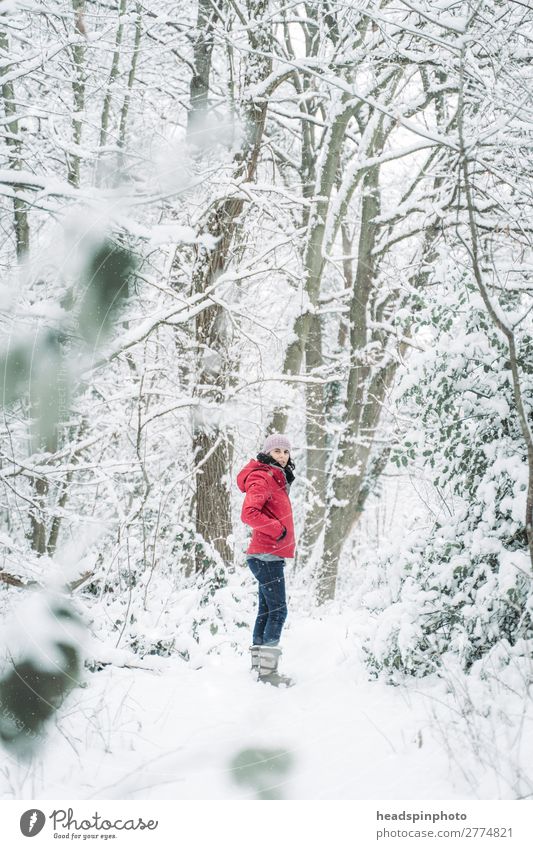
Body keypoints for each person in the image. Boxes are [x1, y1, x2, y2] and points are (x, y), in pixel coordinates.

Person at [236, 433, 296, 687]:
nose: (282, 456)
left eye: (285, 451)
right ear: (267, 453)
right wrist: (278, 530)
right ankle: (268, 673)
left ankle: (259, 668)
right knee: (278, 612)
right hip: (266, 555)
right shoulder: (263, 476)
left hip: (268, 555)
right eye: (277, 451)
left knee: (267, 610)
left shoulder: (275, 477)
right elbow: (249, 513)